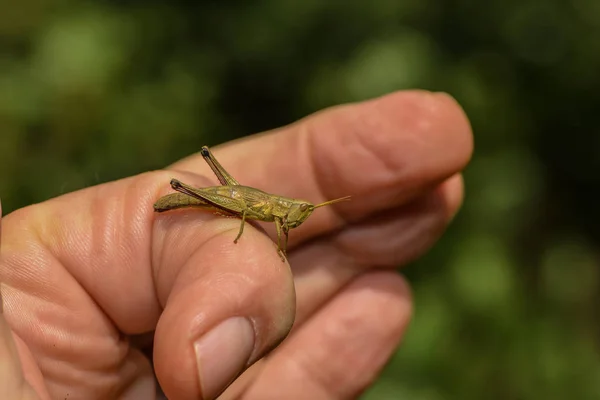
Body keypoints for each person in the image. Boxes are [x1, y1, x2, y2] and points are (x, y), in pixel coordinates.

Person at [0, 90, 473, 400]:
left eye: (300, 215)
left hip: (233, 203)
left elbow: (279, 228)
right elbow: (251, 210)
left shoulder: (287, 216)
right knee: (219, 207)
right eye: (302, 212)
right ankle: (186, 197)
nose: (298, 217)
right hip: (214, 198)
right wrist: (244, 225)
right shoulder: (269, 209)